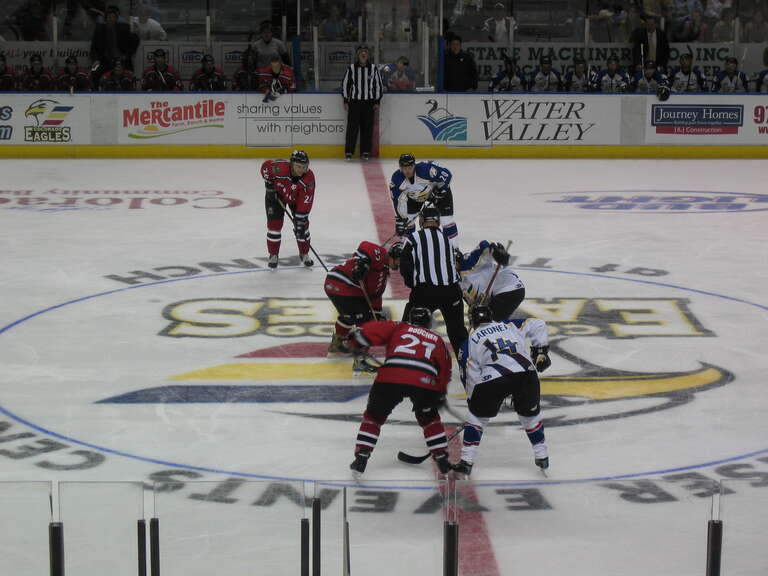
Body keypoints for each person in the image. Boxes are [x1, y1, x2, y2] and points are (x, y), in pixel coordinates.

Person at [347, 307, 453, 476]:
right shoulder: (437, 339)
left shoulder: (400, 327)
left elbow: (368, 332)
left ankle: (361, 457)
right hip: (424, 381)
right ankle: (442, 459)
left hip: (390, 376)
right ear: (429, 323)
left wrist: (354, 340)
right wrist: (440, 392)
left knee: (374, 417)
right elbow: (445, 369)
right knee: (430, 420)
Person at [454, 304, 551, 476]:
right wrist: (540, 351)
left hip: (495, 377)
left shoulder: (469, 341)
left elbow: (470, 373)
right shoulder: (509, 325)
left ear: (472, 321)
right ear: (491, 317)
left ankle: (466, 462)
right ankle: (542, 455)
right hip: (526, 373)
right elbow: (538, 324)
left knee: (477, 418)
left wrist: (473, 401)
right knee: (530, 416)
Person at [395, 206, 467, 355]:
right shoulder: (448, 240)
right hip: (452, 292)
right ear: (438, 221)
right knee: (458, 331)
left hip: (425, 291)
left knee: (410, 327)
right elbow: (457, 263)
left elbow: (405, 265)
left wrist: (413, 285)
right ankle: (467, 364)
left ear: (421, 221)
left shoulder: (414, 238)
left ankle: (403, 358)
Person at [324, 241, 390, 369]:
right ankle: (360, 361)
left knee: (349, 316)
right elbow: (365, 246)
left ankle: (336, 345)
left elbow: (375, 297)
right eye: (398, 262)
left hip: (333, 284)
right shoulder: (381, 256)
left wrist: (377, 313)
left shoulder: (383, 275)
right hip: (342, 285)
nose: (397, 266)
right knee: (365, 324)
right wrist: (364, 263)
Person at [261, 150, 316, 269]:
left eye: (304, 167)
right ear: (291, 164)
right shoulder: (279, 168)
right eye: (298, 166)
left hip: (296, 199)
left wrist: (300, 219)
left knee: (303, 227)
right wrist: (269, 186)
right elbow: (265, 167)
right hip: (276, 196)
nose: (301, 170)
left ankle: (304, 254)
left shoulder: (308, 179)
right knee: (274, 226)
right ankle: (273, 255)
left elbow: (306, 201)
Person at [390, 153, 457, 239]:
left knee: (446, 220)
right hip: (414, 198)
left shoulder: (426, 170)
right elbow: (398, 200)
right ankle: (408, 247)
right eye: (404, 168)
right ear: (400, 168)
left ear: (414, 166)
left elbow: (447, 175)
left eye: (410, 168)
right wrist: (401, 219)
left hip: (435, 191)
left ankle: (453, 249)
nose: (407, 171)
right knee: (408, 221)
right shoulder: (397, 179)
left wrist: (441, 191)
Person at [456, 240, 524, 322]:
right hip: (505, 292)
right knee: (488, 324)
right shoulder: (455, 283)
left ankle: (527, 326)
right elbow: (475, 304)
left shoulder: (467, 262)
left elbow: (485, 246)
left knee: (490, 324)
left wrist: (497, 251)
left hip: (507, 287)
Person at [341, 45, 383, 161]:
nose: (363, 54)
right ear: (358, 55)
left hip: (369, 103)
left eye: (365, 52)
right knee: (352, 128)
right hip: (354, 103)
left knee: (367, 128)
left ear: (368, 55)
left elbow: (378, 85)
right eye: (361, 52)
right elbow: (345, 85)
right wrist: (345, 100)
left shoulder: (374, 69)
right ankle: (349, 152)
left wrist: (377, 101)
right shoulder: (351, 68)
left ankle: (366, 152)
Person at [90, 5, 139, 82]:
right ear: (105, 19)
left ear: (117, 19)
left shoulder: (124, 27)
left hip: (120, 61)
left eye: (114, 17)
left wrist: (127, 55)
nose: (112, 19)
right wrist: (96, 60)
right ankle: (97, 92)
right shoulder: (99, 30)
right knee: (94, 70)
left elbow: (135, 39)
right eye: (109, 17)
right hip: (104, 60)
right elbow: (93, 48)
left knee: (129, 73)